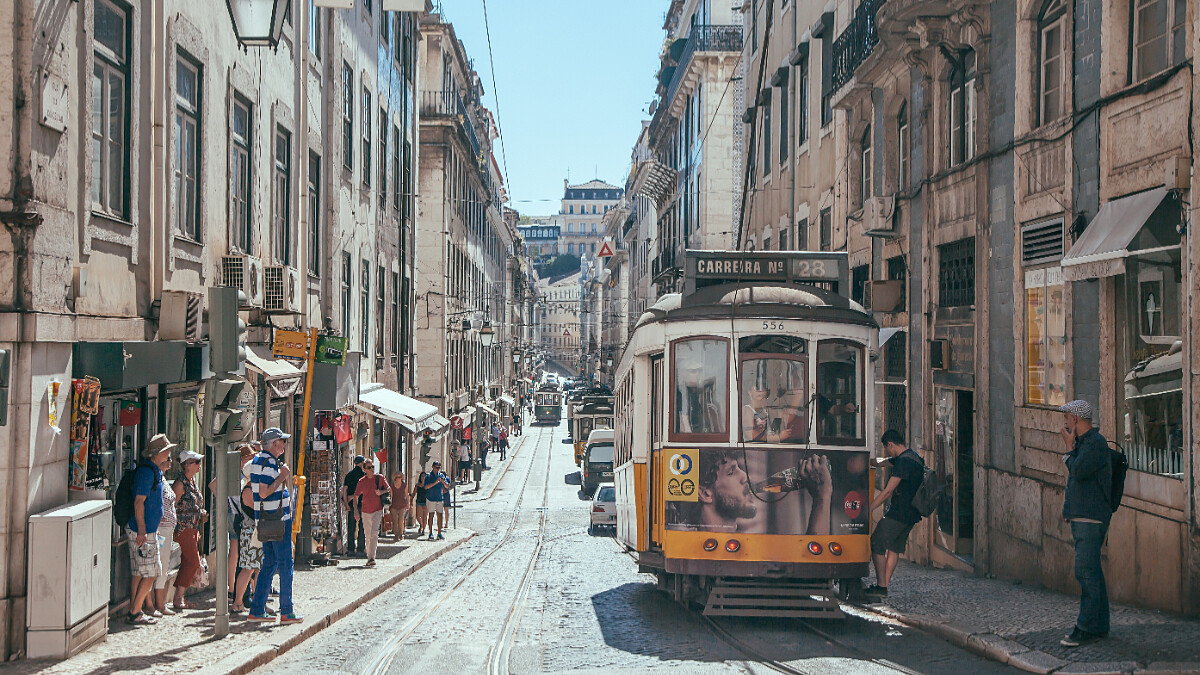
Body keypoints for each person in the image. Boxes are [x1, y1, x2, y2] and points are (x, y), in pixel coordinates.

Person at [1058, 400, 1113, 648]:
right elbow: (1076, 484)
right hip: (1083, 516)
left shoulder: (1095, 444)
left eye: (1068, 417)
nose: (1066, 422)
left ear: (1077, 419)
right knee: (1093, 572)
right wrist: (1068, 510)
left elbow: (1077, 472)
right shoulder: (1086, 444)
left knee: (1086, 572)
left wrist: (1068, 448)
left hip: (1091, 518)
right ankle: (1100, 625)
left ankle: (1085, 628)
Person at [247, 427, 302, 624]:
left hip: (266, 519)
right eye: (282, 441)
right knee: (286, 563)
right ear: (273, 444)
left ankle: (257, 609)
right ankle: (286, 611)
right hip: (277, 520)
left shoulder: (257, 460)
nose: (284, 445)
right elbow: (264, 492)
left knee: (269, 563)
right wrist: (283, 476)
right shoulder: (269, 463)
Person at [865, 429, 924, 598]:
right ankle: (883, 585)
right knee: (894, 549)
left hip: (898, 513)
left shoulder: (903, 463)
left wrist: (869, 508)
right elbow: (885, 462)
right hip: (911, 514)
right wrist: (869, 461)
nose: (887, 451)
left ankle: (881, 586)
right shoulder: (913, 457)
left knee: (876, 543)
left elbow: (887, 492)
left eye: (886, 447)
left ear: (890, 444)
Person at [126, 434, 174, 625]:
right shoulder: (147, 473)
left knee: (141, 571)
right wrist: (142, 531)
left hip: (147, 530)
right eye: (167, 451)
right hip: (143, 532)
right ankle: (135, 611)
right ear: (158, 453)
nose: (170, 454)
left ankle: (134, 609)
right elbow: (139, 502)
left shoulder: (155, 471)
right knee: (152, 572)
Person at [171, 449, 208, 611]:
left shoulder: (192, 482)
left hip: (193, 527)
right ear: (187, 465)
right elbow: (172, 506)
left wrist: (201, 514)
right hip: (184, 527)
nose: (200, 465)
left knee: (188, 561)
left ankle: (180, 597)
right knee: (193, 561)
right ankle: (178, 596)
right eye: (197, 462)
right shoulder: (180, 484)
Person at [146, 446, 177, 618]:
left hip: (166, 529)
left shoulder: (162, 478)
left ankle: (159, 603)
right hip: (160, 529)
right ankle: (156, 603)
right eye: (168, 458)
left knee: (162, 566)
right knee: (157, 567)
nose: (170, 461)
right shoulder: (154, 477)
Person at [233, 458, 264, 614]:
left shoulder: (254, 489)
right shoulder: (248, 490)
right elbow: (258, 509)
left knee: (258, 569)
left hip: (256, 532)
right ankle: (238, 602)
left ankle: (260, 602)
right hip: (251, 533)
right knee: (248, 568)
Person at [351, 459, 391, 566]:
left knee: (374, 533)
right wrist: (356, 511)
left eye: (372, 466)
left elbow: (388, 488)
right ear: (364, 469)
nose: (372, 469)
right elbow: (356, 497)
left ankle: (372, 557)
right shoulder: (362, 481)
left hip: (378, 509)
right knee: (367, 534)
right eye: (369, 467)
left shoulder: (380, 478)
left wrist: (381, 492)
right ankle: (369, 555)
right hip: (365, 511)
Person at [341, 456, 367, 557]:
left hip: (351, 505)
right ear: (362, 463)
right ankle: (360, 549)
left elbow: (344, 490)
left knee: (351, 527)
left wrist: (346, 503)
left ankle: (351, 549)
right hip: (362, 504)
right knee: (362, 527)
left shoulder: (349, 475)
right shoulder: (364, 475)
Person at [423, 462, 450, 540]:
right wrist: (435, 483)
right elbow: (426, 487)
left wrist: (443, 482)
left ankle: (439, 533)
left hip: (439, 498)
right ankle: (430, 533)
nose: (437, 469)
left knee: (440, 515)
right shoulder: (428, 476)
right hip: (431, 498)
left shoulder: (441, 475)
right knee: (431, 515)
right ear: (433, 467)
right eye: (436, 467)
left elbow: (447, 486)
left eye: (439, 467)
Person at [389, 472, 410, 541]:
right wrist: (388, 504)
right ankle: (396, 534)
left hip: (402, 504)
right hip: (394, 505)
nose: (398, 478)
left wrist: (408, 503)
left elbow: (407, 495)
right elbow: (391, 496)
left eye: (399, 477)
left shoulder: (404, 485)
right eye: (397, 477)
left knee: (401, 520)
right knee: (394, 520)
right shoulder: (391, 486)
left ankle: (401, 534)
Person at [412, 469, 428, 538]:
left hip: (426, 502)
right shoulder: (417, 485)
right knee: (418, 516)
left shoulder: (428, 485)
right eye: (422, 476)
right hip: (419, 501)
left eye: (424, 476)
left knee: (425, 516)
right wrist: (411, 500)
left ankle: (423, 529)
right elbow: (414, 493)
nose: (423, 478)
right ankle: (421, 525)